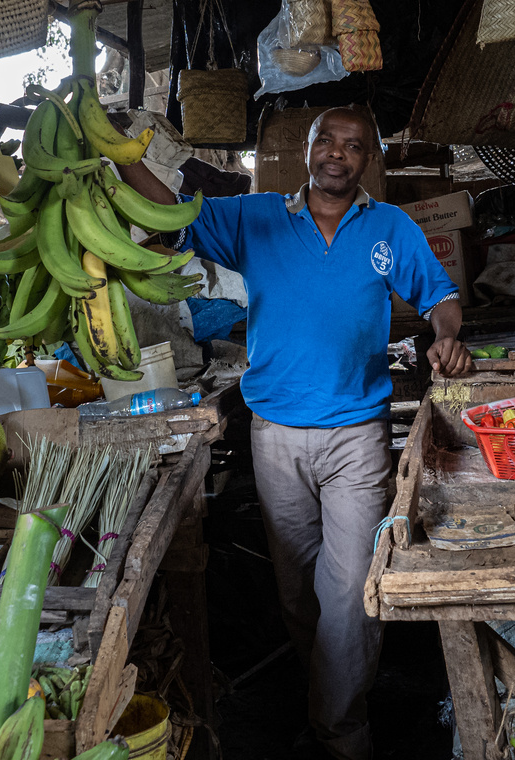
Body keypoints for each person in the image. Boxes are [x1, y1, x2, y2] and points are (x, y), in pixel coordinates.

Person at [116, 105, 473, 760]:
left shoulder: (388, 227)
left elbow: (439, 295)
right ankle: (327, 701)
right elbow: (171, 213)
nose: (339, 153)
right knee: (299, 591)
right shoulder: (256, 219)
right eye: (327, 141)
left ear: (368, 159)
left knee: (349, 589)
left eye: (354, 145)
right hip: (275, 434)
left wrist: (446, 335)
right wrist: (120, 154)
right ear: (308, 151)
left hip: (356, 438)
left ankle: (342, 733)